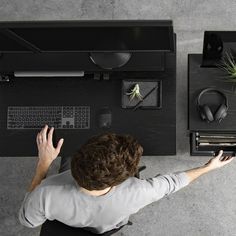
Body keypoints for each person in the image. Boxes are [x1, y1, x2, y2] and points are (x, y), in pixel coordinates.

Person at [19, 125, 234, 234]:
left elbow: (27, 221)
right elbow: (174, 182)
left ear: (77, 163)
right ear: (120, 180)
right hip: (107, 226)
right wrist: (208, 167)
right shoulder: (138, 192)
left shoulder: (45, 195)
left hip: (65, 219)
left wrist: (43, 164)